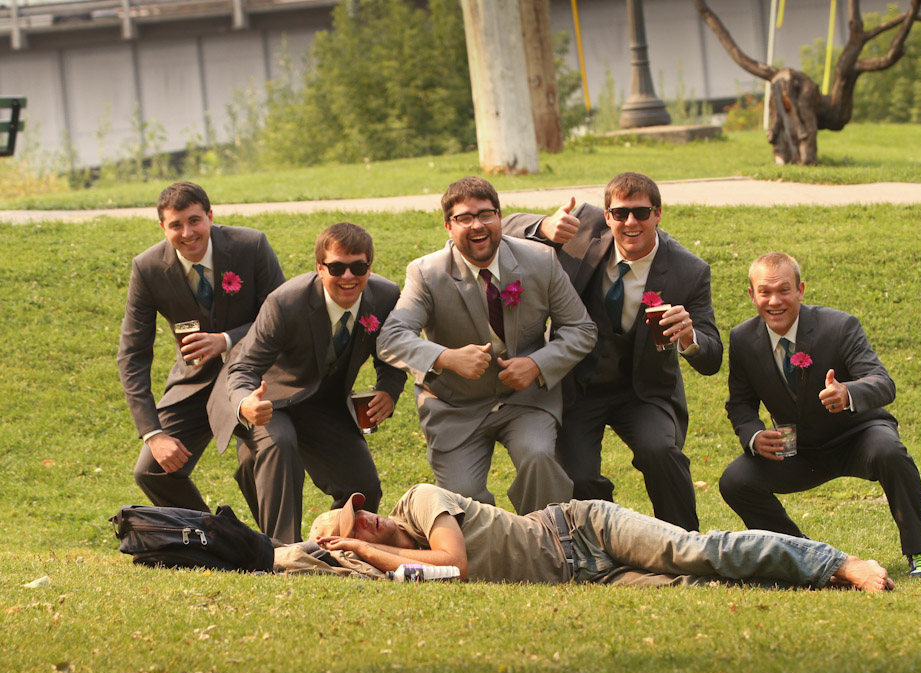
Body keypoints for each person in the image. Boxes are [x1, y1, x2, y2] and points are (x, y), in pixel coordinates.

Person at [502, 172, 722, 530]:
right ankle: (608, 543)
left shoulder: (689, 270)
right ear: (607, 216)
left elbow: (712, 358)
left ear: (658, 214)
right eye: (620, 214)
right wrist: (543, 226)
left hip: (644, 391)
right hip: (578, 385)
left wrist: (689, 336)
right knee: (577, 476)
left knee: (660, 452)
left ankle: (686, 543)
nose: (631, 222)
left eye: (641, 212)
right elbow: (506, 225)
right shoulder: (582, 227)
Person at [377, 177, 595, 514]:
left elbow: (581, 328)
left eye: (486, 214)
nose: (477, 225)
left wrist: (537, 364)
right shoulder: (426, 273)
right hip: (454, 405)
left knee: (538, 457)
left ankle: (547, 543)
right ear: (448, 226)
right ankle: (493, 552)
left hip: (526, 400)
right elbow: (392, 337)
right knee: (464, 500)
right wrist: (446, 357)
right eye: (464, 218)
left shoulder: (540, 261)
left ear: (499, 217)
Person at [720, 252, 921, 577]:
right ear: (752, 295)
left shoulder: (839, 326)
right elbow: (740, 403)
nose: (774, 301)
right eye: (765, 292)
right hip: (799, 450)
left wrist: (848, 393)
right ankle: (801, 555)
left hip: (859, 436)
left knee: (891, 452)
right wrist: (754, 436)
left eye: (784, 290)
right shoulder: (741, 339)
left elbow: (884, 384)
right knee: (735, 481)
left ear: (801, 290)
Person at [209, 222, 406, 544]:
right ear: (319, 268)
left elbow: (393, 353)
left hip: (322, 403)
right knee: (280, 444)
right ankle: (282, 552)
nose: (348, 276)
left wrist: (388, 389)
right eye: (337, 267)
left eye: (358, 267)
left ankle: (343, 549)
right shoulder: (285, 302)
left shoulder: (385, 297)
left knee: (363, 485)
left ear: (370, 267)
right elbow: (243, 367)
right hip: (266, 397)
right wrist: (247, 402)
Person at [308, 486, 894, 592]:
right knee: (694, 585)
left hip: (581, 527)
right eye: (355, 528)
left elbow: (454, 564)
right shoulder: (399, 571)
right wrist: (361, 558)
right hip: (582, 577)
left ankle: (837, 561)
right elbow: (290, 563)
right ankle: (820, 582)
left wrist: (362, 549)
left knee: (698, 551)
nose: (367, 521)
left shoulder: (417, 500)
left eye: (359, 515)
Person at [118, 181, 284, 511]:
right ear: (162, 227)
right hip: (194, 382)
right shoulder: (147, 268)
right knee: (150, 471)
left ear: (210, 216)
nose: (187, 233)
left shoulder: (250, 245)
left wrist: (226, 339)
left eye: (194, 220)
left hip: (255, 378)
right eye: (176, 225)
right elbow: (132, 355)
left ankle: (275, 549)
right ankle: (214, 538)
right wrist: (153, 433)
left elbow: (280, 318)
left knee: (261, 455)